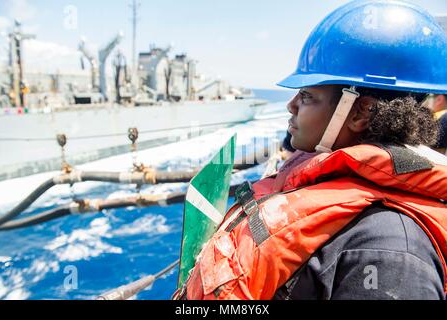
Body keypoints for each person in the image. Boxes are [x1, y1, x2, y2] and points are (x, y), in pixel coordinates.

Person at [178, 0, 447, 300]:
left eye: (306, 96)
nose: (291, 105)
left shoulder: (391, 252)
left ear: (359, 112)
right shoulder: (333, 187)